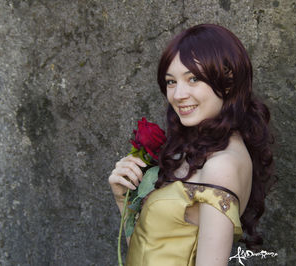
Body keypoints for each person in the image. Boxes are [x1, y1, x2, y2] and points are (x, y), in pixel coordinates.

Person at [109, 24, 274, 266]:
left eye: (193, 78)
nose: (178, 95)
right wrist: (124, 200)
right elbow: (146, 252)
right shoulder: (201, 150)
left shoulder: (222, 165)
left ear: (228, 81)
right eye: (171, 81)